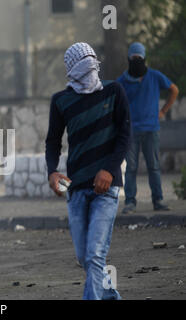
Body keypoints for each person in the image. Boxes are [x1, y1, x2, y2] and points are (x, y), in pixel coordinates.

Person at [46, 42, 131, 300]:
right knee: (85, 258)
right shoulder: (61, 101)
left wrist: (109, 169)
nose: (89, 74)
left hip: (106, 189)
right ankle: (111, 296)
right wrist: (52, 171)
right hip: (76, 189)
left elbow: (125, 135)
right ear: (71, 71)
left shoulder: (114, 91)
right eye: (83, 69)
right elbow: (52, 142)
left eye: (91, 66)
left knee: (95, 254)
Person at [117, 42, 179, 214]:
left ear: (144, 58)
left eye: (139, 58)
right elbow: (115, 99)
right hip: (131, 131)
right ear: (129, 59)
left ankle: (158, 200)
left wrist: (163, 111)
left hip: (151, 129)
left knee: (154, 167)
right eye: (133, 58)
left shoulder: (154, 76)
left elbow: (174, 90)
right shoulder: (122, 81)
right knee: (131, 168)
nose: (136, 60)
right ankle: (130, 202)